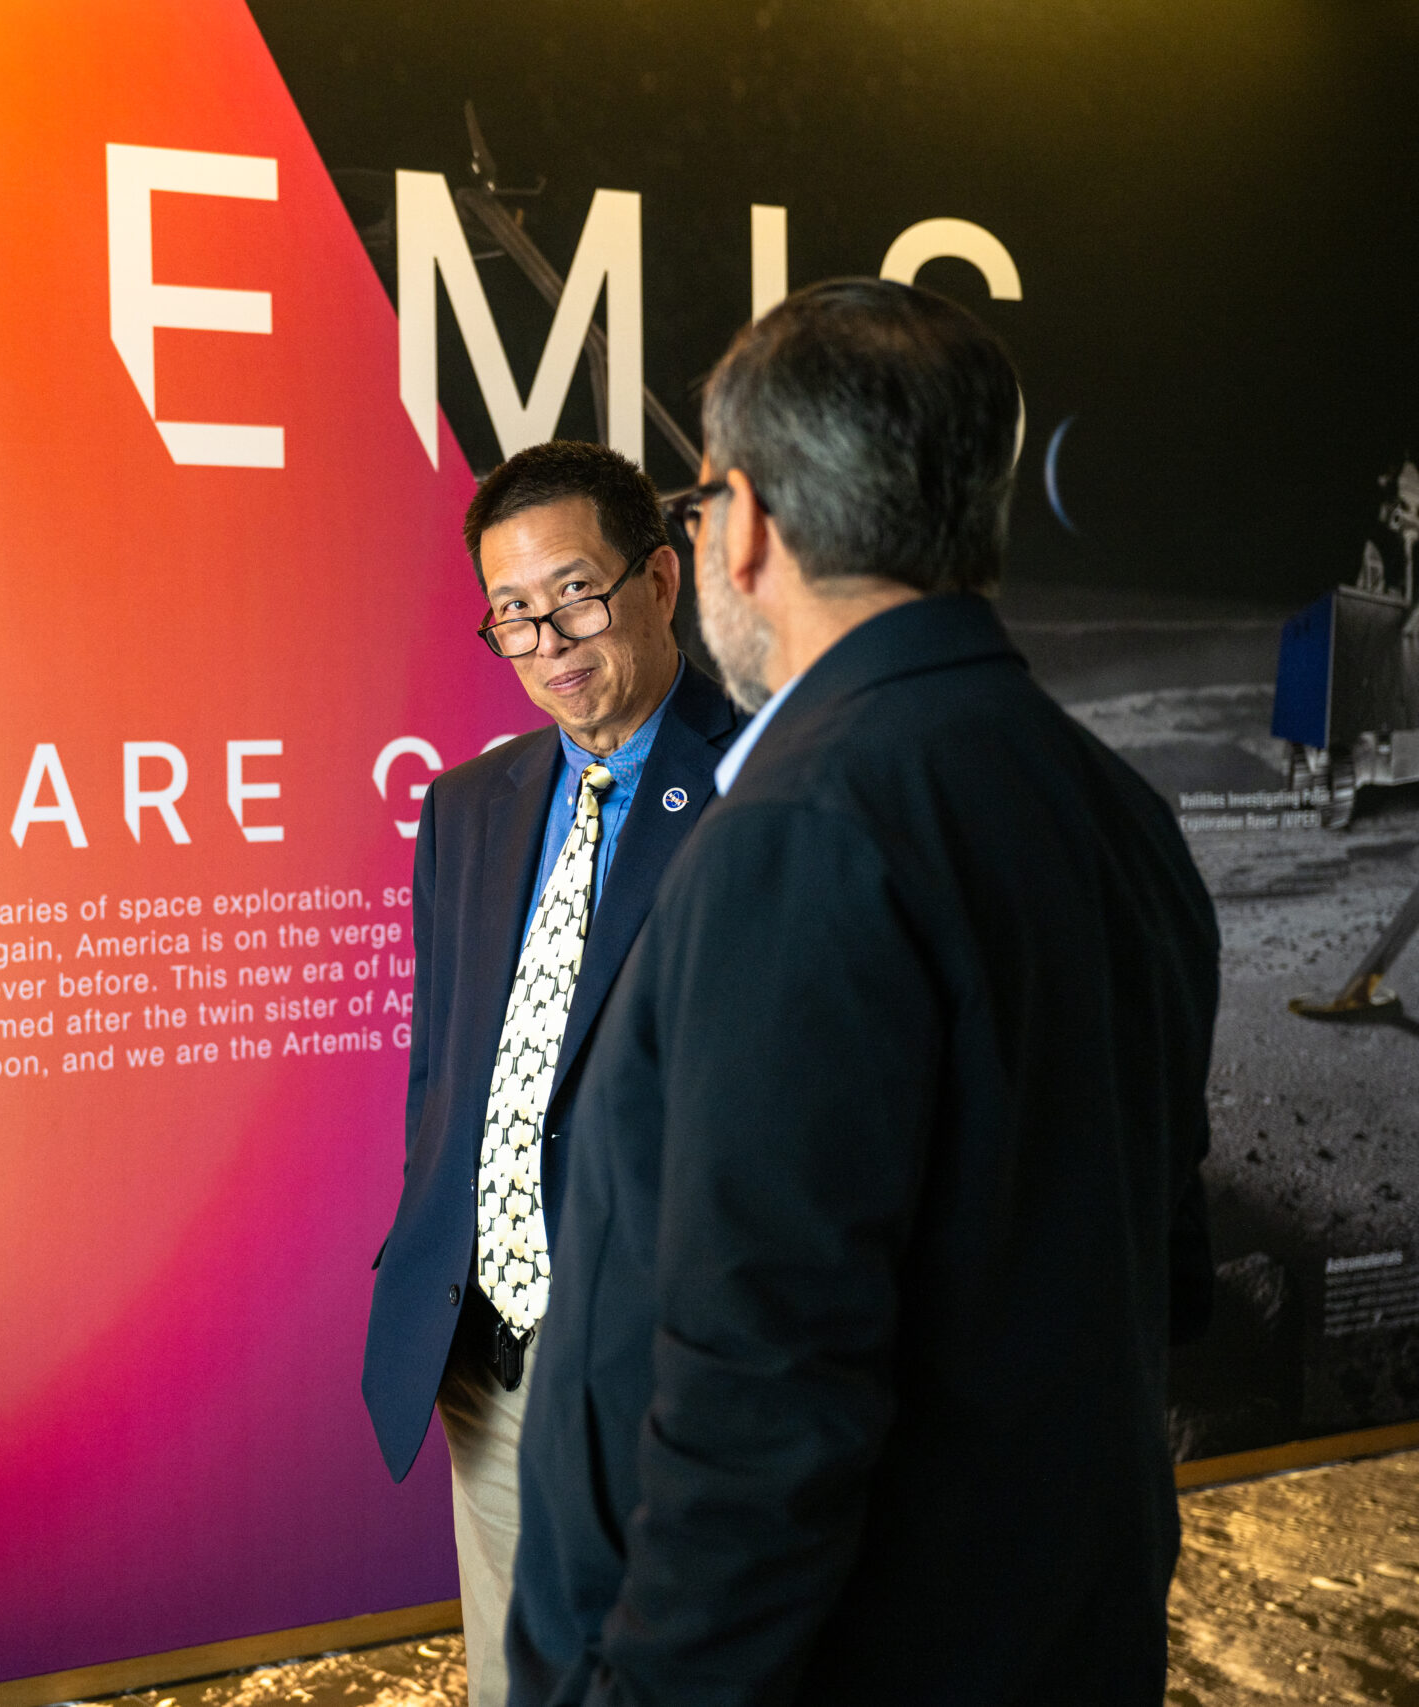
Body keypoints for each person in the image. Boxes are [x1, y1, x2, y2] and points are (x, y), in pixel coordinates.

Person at [505, 280, 1219, 1706]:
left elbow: (758, 1405)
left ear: (744, 521)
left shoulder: (796, 831)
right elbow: (1162, 1274)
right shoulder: (1120, 808)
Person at [360, 440, 742, 1707]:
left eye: (574, 593)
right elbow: (445, 1066)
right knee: (517, 1682)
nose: (548, 638)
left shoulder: (763, 793)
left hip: (674, 1376)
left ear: (661, 580)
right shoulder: (467, 807)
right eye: (514, 613)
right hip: (492, 1357)